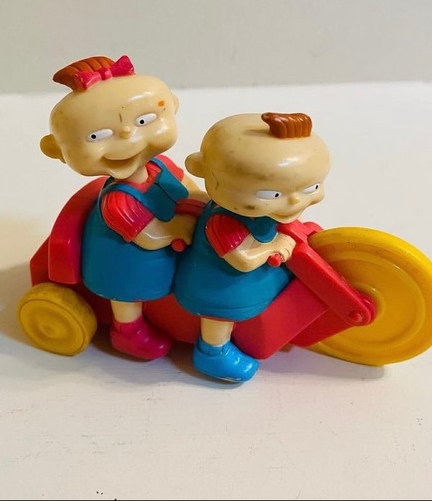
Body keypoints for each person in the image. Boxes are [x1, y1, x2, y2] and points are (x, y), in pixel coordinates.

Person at [40, 55, 203, 360]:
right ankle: (127, 330)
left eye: (144, 121)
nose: (129, 137)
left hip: (174, 244)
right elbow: (148, 235)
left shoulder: (161, 165)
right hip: (128, 261)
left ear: (173, 106)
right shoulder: (119, 200)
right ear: (58, 150)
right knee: (127, 295)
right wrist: (178, 228)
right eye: (97, 136)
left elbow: (188, 186)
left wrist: (202, 203)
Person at [173, 112, 331, 381]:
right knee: (220, 315)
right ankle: (212, 351)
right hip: (220, 283)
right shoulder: (224, 222)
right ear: (202, 169)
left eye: (310, 188)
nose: (294, 202)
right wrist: (274, 246)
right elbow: (243, 259)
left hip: (256, 277)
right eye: (271, 194)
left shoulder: (264, 211)